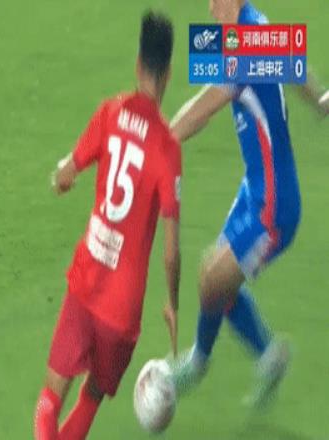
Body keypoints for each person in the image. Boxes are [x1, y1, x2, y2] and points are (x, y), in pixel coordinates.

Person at [170, 0, 327, 406]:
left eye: (217, 1)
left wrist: (161, 141)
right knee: (212, 276)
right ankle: (268, 355)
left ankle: (199, 362)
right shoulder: (253, 25)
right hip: (255, 188)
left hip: (273, 206)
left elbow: (202, 110)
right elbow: (291, 63)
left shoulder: (246, 42)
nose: (211, 9)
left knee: (214, 279)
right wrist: (320, 100)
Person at [34, 11, 181, 439]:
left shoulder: (110, 112)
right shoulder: (167, 148)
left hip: (87, 281)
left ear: (137, 64)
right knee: (92, 395)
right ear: (168, 74)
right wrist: (172, 304)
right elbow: (171, 250)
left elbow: (67, 173)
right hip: (122, 309)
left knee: (49, 401)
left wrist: (61, 178)